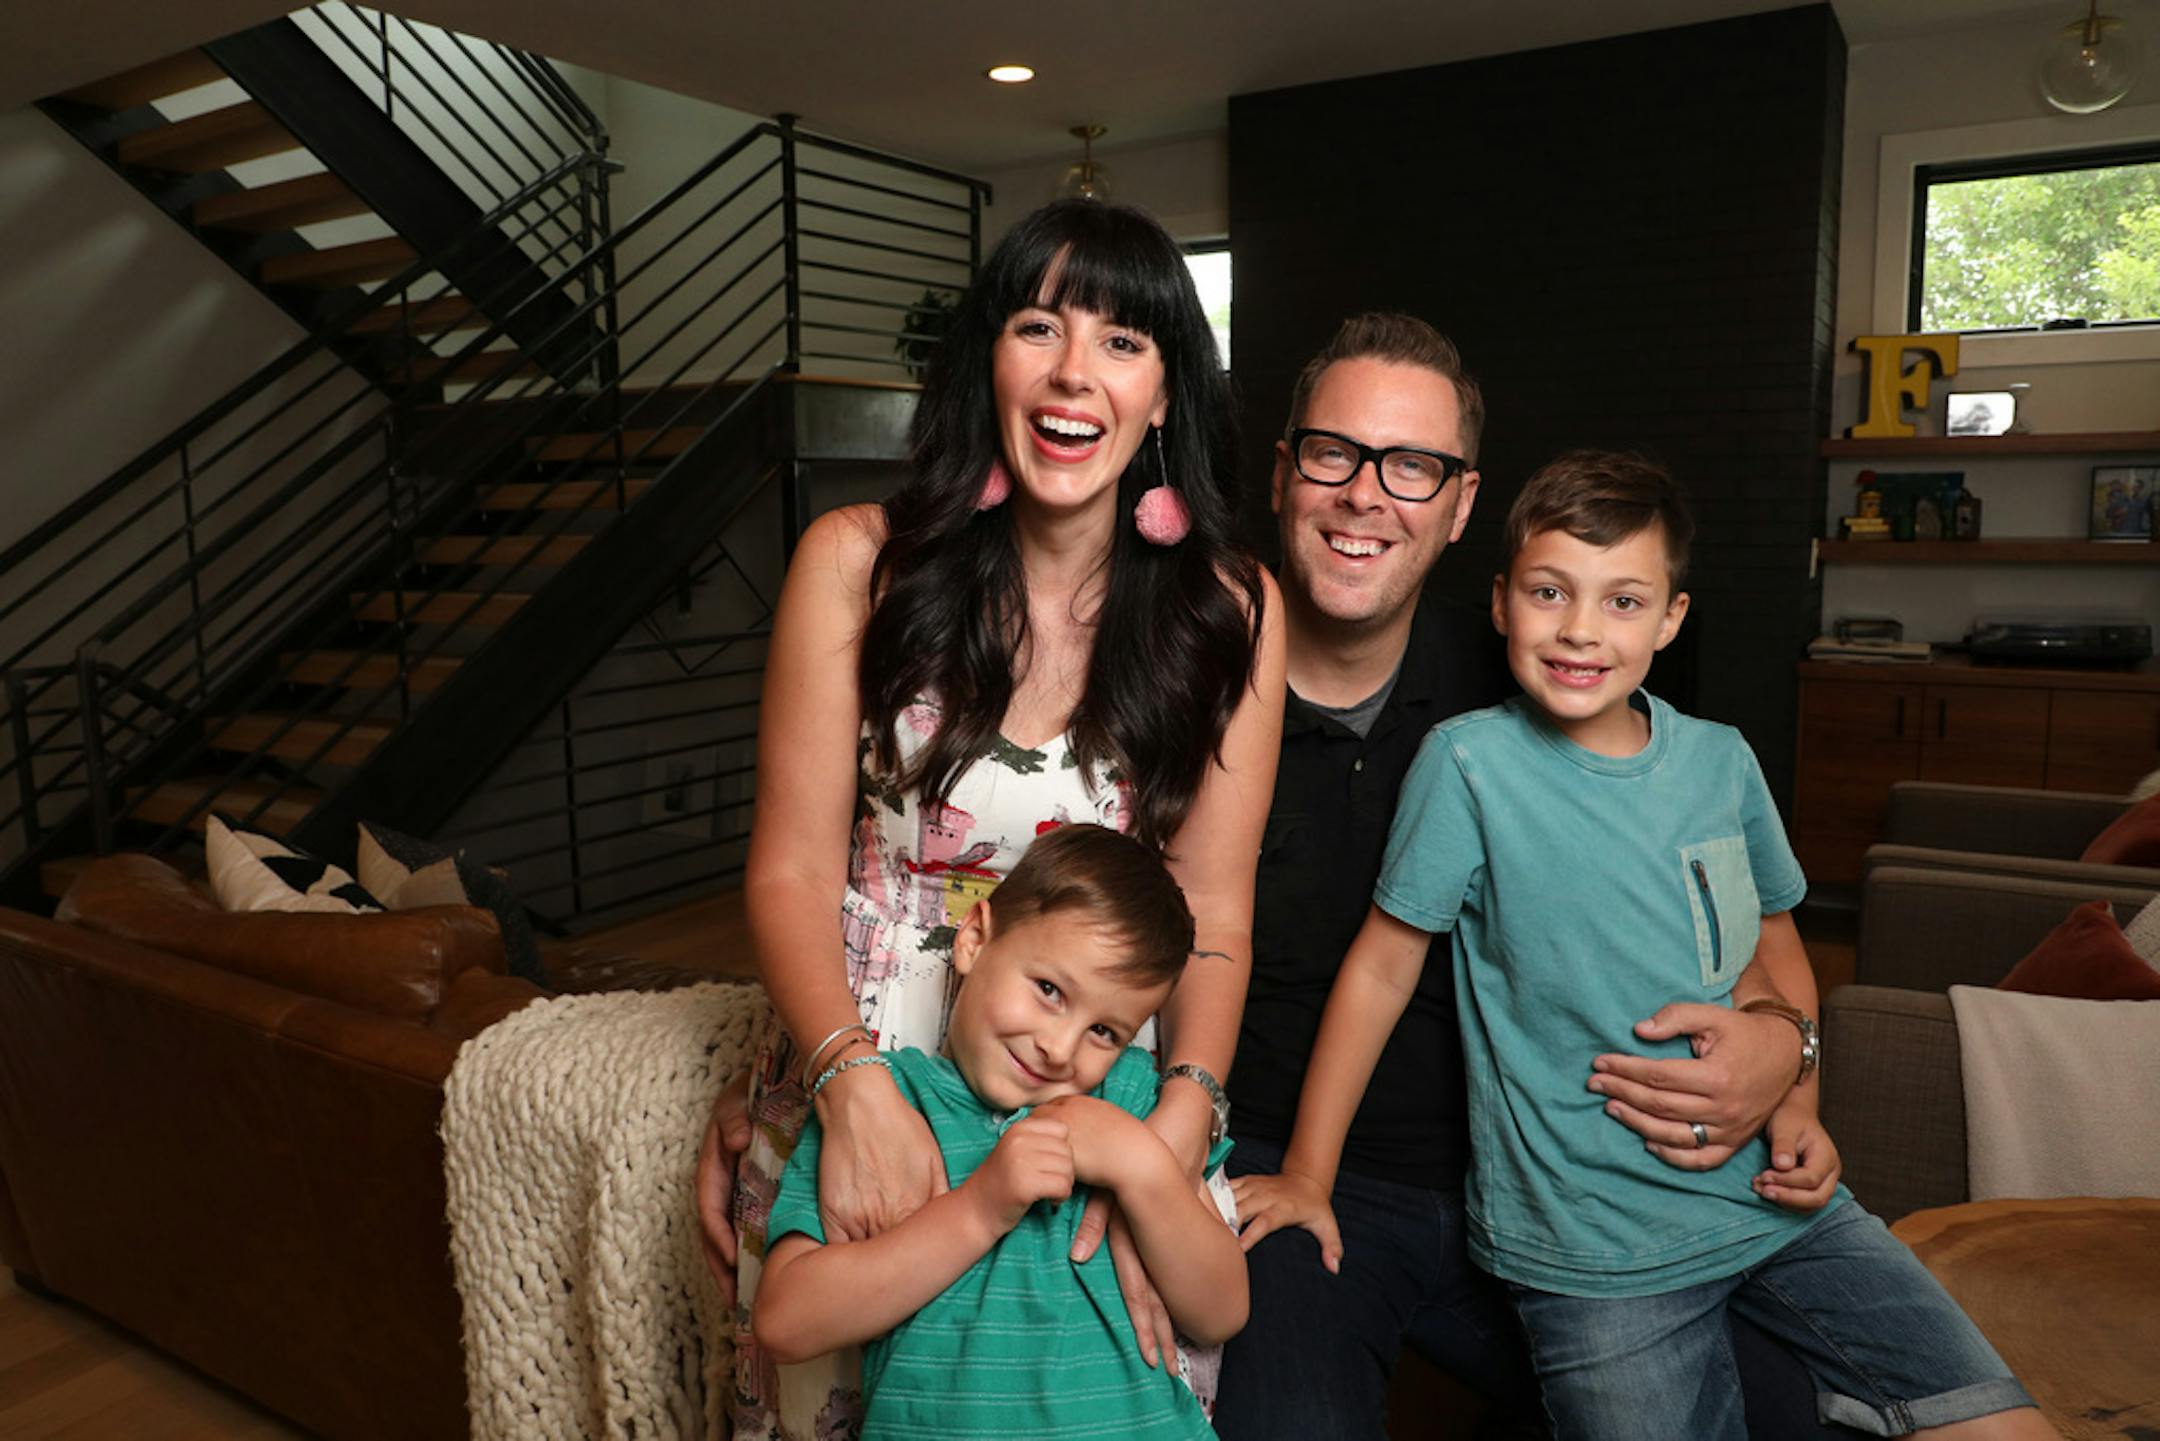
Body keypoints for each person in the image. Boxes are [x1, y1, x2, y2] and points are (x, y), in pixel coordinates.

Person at [1250, 450, 2048, 1440]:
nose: (1581, 629)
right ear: (1500, 602)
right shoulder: (1467, 764)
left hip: (1774, 1205)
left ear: (1671, 618)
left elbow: (1773, 947)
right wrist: (1308, 1174)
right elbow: (1381, 966)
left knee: (1997, 1419)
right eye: (1550, 592)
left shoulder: (1721, 761)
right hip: (1594, 1255)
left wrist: (1800, 1100)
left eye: (1623, 601)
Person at [1218, 314, 1856, 1440]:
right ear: (1282, 474)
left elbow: (1725, 899)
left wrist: (1785, 1048)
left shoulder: (1542, 674)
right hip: (1298, 1173)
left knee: (1798, 1413)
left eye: (1412, 466)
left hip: (1558, 1176)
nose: (1366, 494)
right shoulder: (1193, 680)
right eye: (1333, 453)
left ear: (1462, 503)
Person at [711, 197, 1286, 1441]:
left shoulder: (1229, 607)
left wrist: (1168, 1133)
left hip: (1104, 1087)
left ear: (1166, 395)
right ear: (990, 360)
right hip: (870, 1074)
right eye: (1039, 327)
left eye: (1123, 342)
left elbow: (1216, 911)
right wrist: (850, 1088)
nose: (1075, 372)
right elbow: (791, 870)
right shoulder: (858, 563)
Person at [752, 823, 1247, 1439]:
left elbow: (1222, 1310)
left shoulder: (1129, 1101)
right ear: (974, 940)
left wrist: (1139, 1164)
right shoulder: (889, 1113)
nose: (1059, 1048)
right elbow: (785, 1322)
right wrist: (980, 1209)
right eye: (1049, 990)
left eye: (1104, 1032)